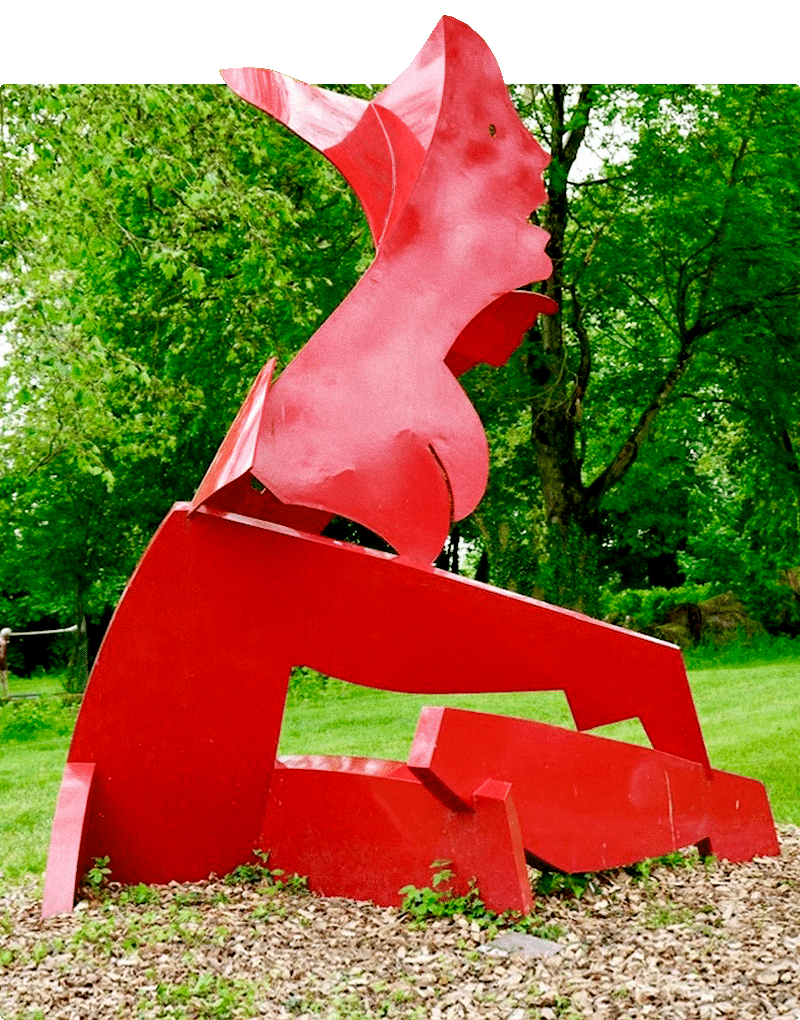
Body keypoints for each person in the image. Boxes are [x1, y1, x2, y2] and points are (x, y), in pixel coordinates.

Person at [0, 627, 11, 699]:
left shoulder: (2, 641)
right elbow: (2, 655)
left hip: (1, 663)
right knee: (3, 679)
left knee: (3, 679)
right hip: (1, 663)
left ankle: (6, 695)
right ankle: (6, 695)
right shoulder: (3, 642)